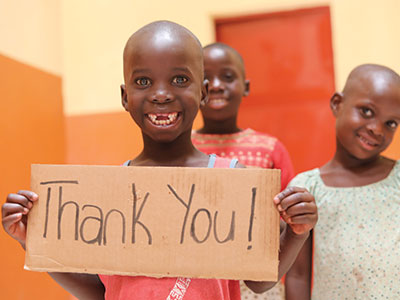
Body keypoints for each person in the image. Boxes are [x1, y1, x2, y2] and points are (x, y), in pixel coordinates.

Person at [2, 21, 317, 300]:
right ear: (125, 97)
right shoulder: (111, 191)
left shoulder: (234, 182)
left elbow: (259, 282)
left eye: (179, 80)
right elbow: (100, 292)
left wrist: (295, 232)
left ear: (204, 92)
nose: (161, 94)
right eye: (143, 82)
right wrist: (33, 242)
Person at [285, 64, 400, 299]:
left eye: (391, 123)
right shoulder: (308, 188)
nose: (377, 129)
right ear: (337, 104)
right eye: (367, 111)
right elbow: (297, 275)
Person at [192, 42, 294, 191]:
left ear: (246, 87)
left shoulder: (270, 149)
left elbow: (288, 209)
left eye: (227, 77)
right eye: (206, 79)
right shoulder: (180, 147)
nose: (216, 86)